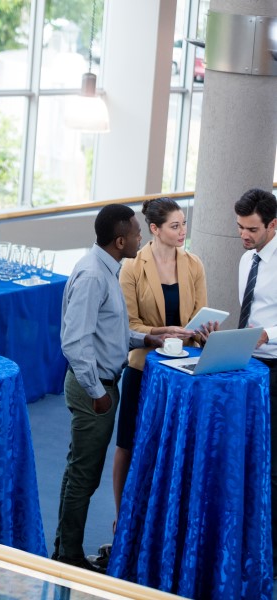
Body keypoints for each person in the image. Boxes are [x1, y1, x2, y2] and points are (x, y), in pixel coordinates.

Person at [53, 203, 161, 572]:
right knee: (84, 475)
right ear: (119, 241)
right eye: (135, 233)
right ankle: (68, 556)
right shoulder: (94, 276)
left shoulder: (104, 268)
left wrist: (147, 338)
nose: (140, 237)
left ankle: (63, 548)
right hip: (93, 387)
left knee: (78, 471)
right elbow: (75, 342)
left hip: (99, 383)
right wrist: (98, 393)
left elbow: (107, 332)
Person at [113, 198, 201, 522]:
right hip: (143, 367)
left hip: (182, 370)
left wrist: (203, 331)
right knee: (128, 443)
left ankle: (164, 518)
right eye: (174, 226)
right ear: (154, 229)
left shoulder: (194, 264)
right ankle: (122, 517)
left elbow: (198, 319)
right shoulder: (133, 267)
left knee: (173, 449)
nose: (182, 231)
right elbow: (129, 325)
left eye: (183, 224)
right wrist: (163, 331)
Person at [233, 188, 277, 559]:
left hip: (276, 367)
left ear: (273, 225)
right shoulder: (248, 259)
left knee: (273, 463)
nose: (244, 236)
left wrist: (269, 334)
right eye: (240, 227)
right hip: (248, 366)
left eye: (251, 229)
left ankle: (272, 556)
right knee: (245, 454)